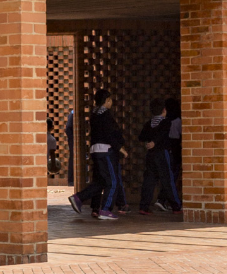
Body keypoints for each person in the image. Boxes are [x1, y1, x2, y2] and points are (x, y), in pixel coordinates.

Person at [68, 89, 128, 220]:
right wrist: (120, 148)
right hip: (106, 151)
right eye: (110, 100)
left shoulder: (94, 114)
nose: (111, 102)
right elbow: (110, 134)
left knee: (101, 181)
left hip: (95, 150)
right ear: (106, 101)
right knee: (112, 182)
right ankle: (105, 210)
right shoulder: (105, 114)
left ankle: (78, 198)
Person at [138, 99, 181, 215]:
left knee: (149, 181)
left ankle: (144, 206)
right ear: (164, 110)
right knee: (168, 179)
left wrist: (150, 141)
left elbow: (141, 137)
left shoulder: (149, 123)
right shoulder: (166, 122)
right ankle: (176, 206)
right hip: (162, 153)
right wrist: (155, 142)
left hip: (150, 155)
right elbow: (163, 134)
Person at [155, 97, 182, 211]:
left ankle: (163, 200)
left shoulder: (163, 120)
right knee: (172, 176)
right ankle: (165, 200)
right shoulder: (177, 120)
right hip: (175, 148)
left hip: (165, 148)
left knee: (167, 175)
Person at [65, 108, 75, 186]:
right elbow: (68, 128)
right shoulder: (73, 113)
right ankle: (71, 180)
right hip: (73, 140)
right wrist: (72, 139)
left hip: (74, 140)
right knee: (73, 158)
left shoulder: (73, 113)